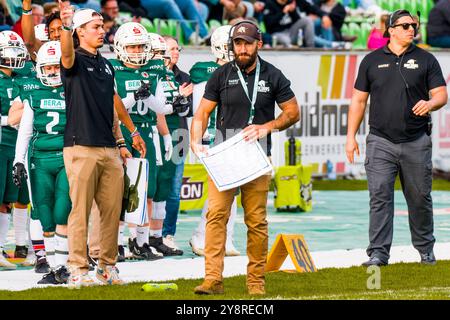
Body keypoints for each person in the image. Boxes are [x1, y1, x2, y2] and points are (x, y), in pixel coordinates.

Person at [191, 20, 299, 295]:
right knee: (216, 215)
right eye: (237, 43)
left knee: (257, 220)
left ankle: (255, 282)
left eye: (247, 43)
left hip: (256, 156)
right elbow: (202, 112)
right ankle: (212, 279)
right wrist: (194, 140)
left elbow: (292, 112)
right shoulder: (220, 74)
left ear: (258, 44)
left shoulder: (274, 75)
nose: (242, 48)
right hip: (224, 155)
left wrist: (267, 126)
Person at [345, 9, 448, 267]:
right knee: (379, 196)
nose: (411, 29)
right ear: (390, 30)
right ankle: (378, 253)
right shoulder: (370, 60)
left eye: (413, 25)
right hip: (380, 141)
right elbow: (358, 100)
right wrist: (351, 137)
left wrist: (430, 103)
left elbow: (441, 95)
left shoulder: (426, 59)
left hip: (416, 141)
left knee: (419, 197)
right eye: (404, 26)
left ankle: (425, 249)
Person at [58, 2, 145, 288]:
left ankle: (107, 267)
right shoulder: (73, 59)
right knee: (80, 211)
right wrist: (67, 25)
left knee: (111, 213)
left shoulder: (106, 64)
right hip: (80, 145)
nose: (101, 31)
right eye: (95, 27)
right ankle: (77, 268)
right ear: (79, 32)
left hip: (109, 147)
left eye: (101, 27)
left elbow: (111, 104)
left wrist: (126, 137)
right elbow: (67, 53)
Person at [110, 23, 176, 260]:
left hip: (146, 132)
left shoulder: (153, 68)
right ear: (120, 47)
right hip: (120, 133)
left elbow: (157, 107)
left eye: (140, 46)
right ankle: (115, 244)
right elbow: (113, 110)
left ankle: (140, 242)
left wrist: (171, 107)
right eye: (132, 46)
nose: (137, 51)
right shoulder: (112, 68)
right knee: (118, 191)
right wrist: (132, 97)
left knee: (142, 190)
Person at [12, 41, 71, 285]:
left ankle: (64, 265)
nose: (53, 71)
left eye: (57, 66)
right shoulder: (33, 92)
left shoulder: (74, 89)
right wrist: (18, 160)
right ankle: (55, 267)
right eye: (48, 68)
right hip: (39, 159)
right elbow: (25, 131)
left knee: (62, 212)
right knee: (45, 215)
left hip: (68, 157)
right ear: (40, 69)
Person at [188, 25, 240, 257]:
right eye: (232, 45)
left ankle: (227, 238)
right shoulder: (205, 72)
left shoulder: (242, 70)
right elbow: (200, 109)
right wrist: (201, 137)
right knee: (219, 190)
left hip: (235, 136)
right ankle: (202, 236)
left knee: (233, 190)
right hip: (214, 136)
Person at [0, 30, 32, 270]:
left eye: (16, 52)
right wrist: (8, 120)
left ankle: (18, 245)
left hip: (19, 143)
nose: (13, 58)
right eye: (8, 52)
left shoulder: (22, 76)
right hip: (1, 141)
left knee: (15, 198)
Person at [161, 36, 193, 253]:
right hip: (157, 133)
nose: (176, 52)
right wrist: (178, 97)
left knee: (173, 189)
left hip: (179, 134)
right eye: (171, 49)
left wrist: (180, 100)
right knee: (152, 188)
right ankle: (144, 235)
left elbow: (188, 110)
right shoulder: (152, 74)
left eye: (177, 48)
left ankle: (167, 234)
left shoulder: (184, 76)